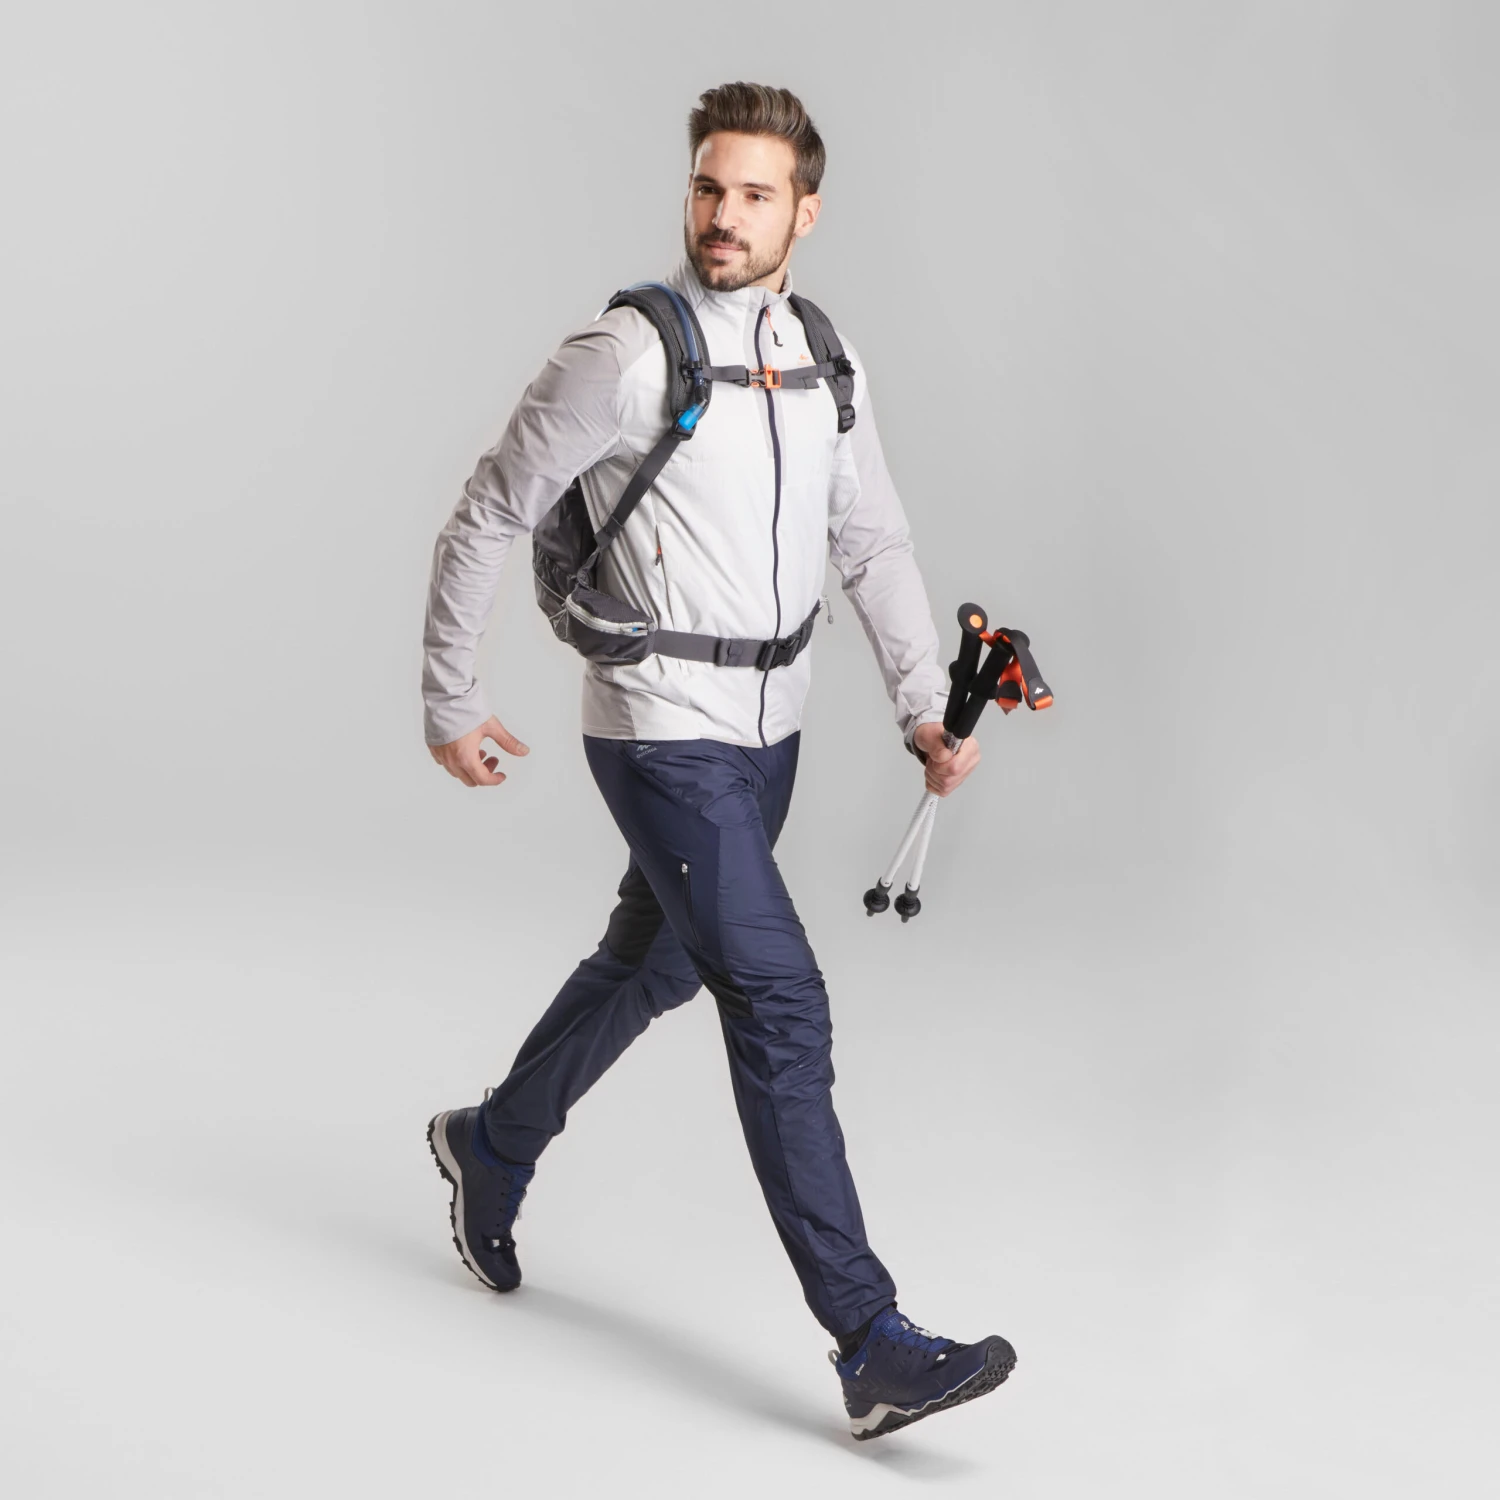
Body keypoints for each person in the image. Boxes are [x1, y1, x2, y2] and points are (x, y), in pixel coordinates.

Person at [419, 81, 1016, 1440]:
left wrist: (923, 706)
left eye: (755, 193)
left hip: (771, 731)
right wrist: (451, 695)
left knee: (657, 959)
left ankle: (490, 1145)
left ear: (807, 211)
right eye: (707, 187)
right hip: (658, 727)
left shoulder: (824, 356)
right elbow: (491, 509)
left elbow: (871, 540)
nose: (724, 215)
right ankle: (870, 1340)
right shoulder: (626, 353)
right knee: (780, 1002)